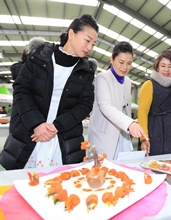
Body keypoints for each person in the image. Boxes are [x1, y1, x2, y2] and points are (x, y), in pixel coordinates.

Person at [0, 14, 99, 170]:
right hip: (31, 133)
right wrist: (37, 124)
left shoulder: (86, 71)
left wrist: (56, 126)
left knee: (59, 185)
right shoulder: (40, 57)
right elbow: (21, 90)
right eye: (87, 40)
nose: (90, 48)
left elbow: (85, 105)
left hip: (62, 138)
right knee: (25, 184)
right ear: (71, 34)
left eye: (93, 44)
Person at [88, 41, 148, 160]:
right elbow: (106, 106)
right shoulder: (103, 78)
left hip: (121, 135)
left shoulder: (127, 81)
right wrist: (130, 123)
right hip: (104, 136)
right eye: (121, 62)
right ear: (112, 59)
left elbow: (125, 108)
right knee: (101, 171)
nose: (125, 67)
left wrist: (132, 123)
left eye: (129, 63)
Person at [138, 50, 171, 156]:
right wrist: (144, 138)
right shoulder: (149, 84)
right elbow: (142, 112)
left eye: (170, 66)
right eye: (163, 66)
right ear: (157, 66)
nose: (166, 70)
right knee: (153, 165)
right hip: (154, 132)